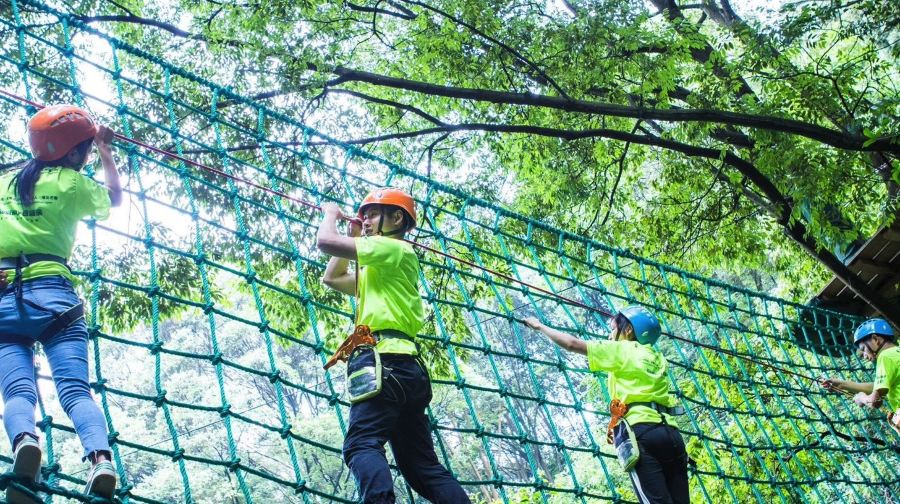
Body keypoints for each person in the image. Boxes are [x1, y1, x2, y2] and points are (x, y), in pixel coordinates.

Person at [316, 188, 470, 503]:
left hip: (384, 364)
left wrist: (330, 213)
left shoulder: (391, 249)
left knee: (361, 444)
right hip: (408, 370)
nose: (365, 220)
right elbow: (332, 278)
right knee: (419, 466)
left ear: (396, 218)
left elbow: (324, 242)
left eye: (372, 214)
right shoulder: (382, 268)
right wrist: (355, 236)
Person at [0, 105, 122, 502]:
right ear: (74, 154)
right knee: (75, 391)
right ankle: (100, 460)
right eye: (85, 150)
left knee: (17, 391)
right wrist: (105, 150)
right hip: (55, 296)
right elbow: (115, 199)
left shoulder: (4, 183)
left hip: (3, 300)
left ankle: (24, 443)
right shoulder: (73, 183)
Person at [524, 307, 689, 504]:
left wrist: (539, 326)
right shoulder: (657, 357)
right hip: (671, 434)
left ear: (628, 331)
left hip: (641, 433)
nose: (611, 335)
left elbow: (572, 344)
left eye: (613, 329)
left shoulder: (621, 349)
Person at [821, 319, 898, 427]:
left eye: (863, 348)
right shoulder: (895, 353)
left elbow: (875, 401)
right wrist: (841, 384)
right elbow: (879, 387)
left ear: (875, 339)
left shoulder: (885, 357)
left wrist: (862, 398)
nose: (865, 356)